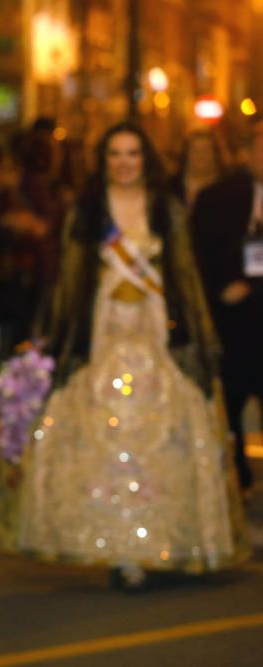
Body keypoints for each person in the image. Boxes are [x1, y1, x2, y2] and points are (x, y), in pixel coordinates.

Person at [5, 122, 247, 588]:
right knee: (99, 431)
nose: (124, 162)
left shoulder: (166, 208)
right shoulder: (88, 210)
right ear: (104, 160)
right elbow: (70, 279)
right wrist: (54, 337)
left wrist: (196, 336)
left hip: (156, 330)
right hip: (103, 329)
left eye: (133, 153)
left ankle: (159, 537)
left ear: (146, 158)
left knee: (164, 432)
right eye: (115, 153)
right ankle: (114, 544)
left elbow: (184, 275)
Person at [189, 119, 263, 497]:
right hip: (233, 322)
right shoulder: (218, 198)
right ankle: (237, 476)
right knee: (229, 402)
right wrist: (223, 288)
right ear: (246, 153)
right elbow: (199, 255)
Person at [168, 129, 226, 208]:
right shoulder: (170, 188)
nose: (200, 156)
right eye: (194, 150)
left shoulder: (226, 189)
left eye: (205, 150)